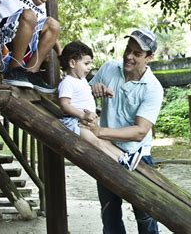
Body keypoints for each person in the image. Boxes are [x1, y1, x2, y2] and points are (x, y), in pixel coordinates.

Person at [84, 28, 164, 234]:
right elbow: (82, 99)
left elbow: (140, 131)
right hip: (106, 152)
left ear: (150, 58)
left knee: (145, 216)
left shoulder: (153, 88)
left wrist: (100, 132)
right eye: (128, 49)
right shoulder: (109, 68)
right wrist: (93, 91)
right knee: (109, 214)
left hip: (137, 157)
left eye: (137, 54)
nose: (129, 56)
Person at [57, 40, 142, 170]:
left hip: (85, 122)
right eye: (86, 63)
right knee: (96, 142)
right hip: (75, 123)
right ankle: (118, 163)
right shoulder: (67, 82)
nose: (89, 67)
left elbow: (85, 94)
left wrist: (104, 91)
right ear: (72, 63)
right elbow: (64, 104)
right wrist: (82, 115)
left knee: (105, 140)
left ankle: (124, 156)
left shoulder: (82, 80)